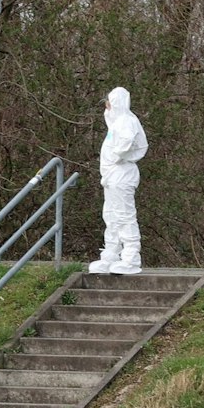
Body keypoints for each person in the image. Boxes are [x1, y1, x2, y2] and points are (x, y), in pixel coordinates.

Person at [90, 86, 148, 275]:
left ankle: (131, 257)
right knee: (112, 216)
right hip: (113, 176)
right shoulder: (117, 123)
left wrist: (116, 156)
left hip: (121, 174)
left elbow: (126, 143)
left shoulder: (126, 121)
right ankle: (112, 254)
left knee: (124, 216)